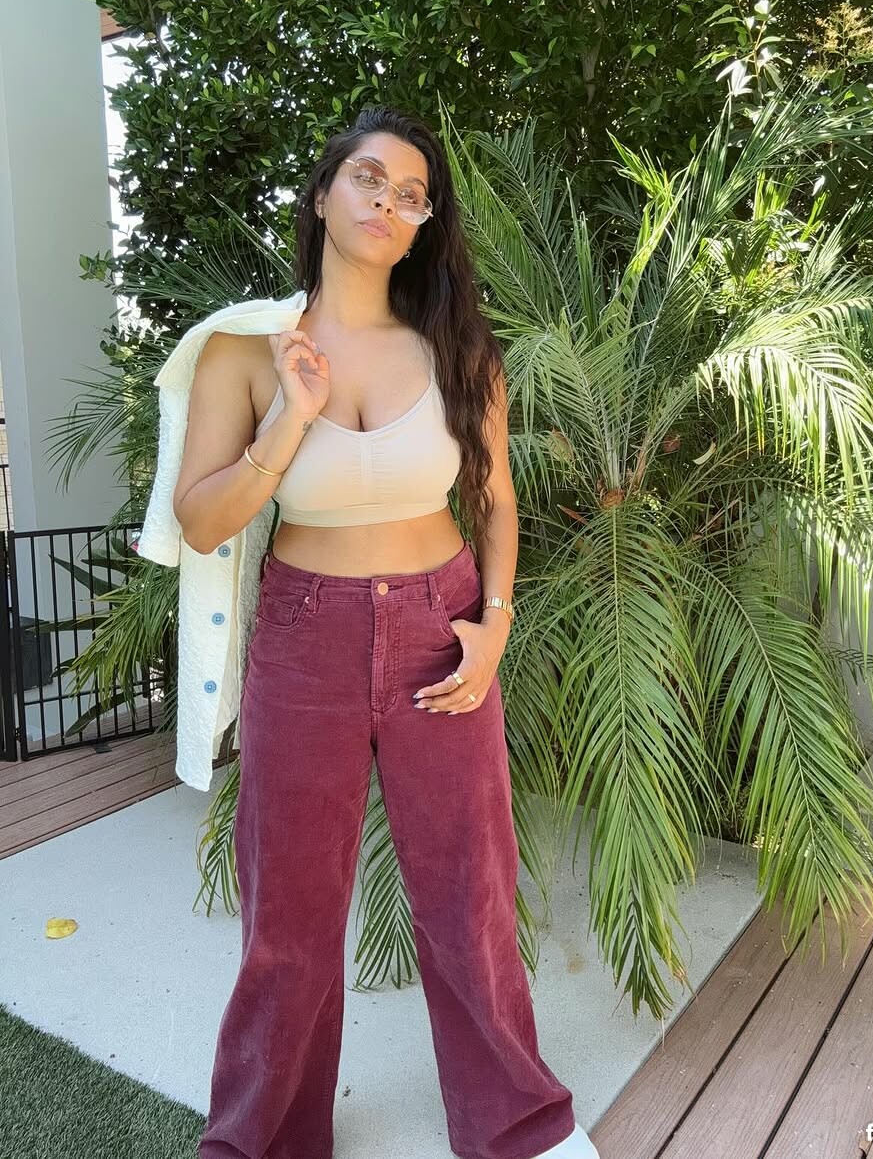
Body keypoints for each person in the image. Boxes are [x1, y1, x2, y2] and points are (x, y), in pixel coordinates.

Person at [175, 106, 599, 1159]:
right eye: (369, 178)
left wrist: (494, 626)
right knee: (289, 907)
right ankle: (266, 1136)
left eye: (413, 195)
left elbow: (495, 498)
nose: (388, 204)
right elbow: (203, 520)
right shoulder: (246, 350)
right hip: (304, 635)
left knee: (469, 889)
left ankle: (515, 1124)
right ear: (324, 192)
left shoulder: (457, 348)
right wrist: (291, 417)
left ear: (422, 226)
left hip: (439, 624)